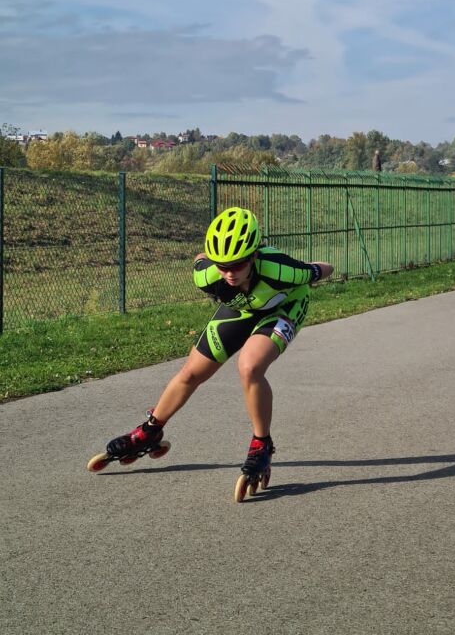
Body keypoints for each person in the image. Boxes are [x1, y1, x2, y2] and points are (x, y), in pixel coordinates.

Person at [92, 207, 333, 490]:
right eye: (222, 265)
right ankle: (150, 431)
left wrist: (313, 270)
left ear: (255, 255)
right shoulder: (207, 275)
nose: (230, 273)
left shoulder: (282, 269)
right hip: (241, 309)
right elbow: (200, 260)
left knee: (249, 366)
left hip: (283, 305)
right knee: (192, 372)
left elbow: (325, 268)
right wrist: (213, 263)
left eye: (238, 265)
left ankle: (261, 445)